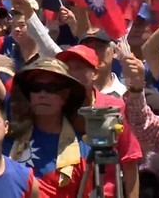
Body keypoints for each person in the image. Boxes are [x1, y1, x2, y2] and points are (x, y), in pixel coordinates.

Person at [56, 44, 143, 197]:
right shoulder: (56, 108)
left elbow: (130, 161)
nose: (72, 74)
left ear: (95, 73)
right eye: (67, 69)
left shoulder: (114, 108)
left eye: (78, 68)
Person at [2, 58, 92, 197]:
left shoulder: (82, 152)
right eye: (36, 88)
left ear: (65, 95)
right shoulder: (9, 140)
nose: (42, 94)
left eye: (51, 89)